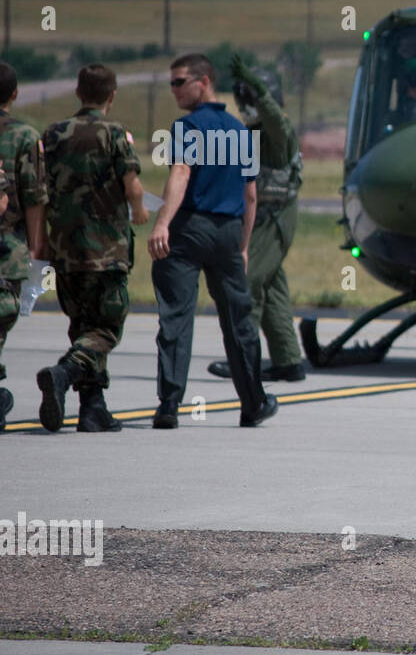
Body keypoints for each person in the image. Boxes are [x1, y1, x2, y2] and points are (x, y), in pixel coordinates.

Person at [147, 53, 277, 429]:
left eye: (179, 82)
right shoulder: (241, 132)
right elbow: (251, 197)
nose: (174, 90)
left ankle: (169, 406)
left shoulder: (187, 127)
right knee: (238, 322)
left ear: (202, 82)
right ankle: (253, 403)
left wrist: (162, 223)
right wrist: (243, 246)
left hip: (187, 230)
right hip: (227, 232)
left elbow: (181, 172)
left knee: (175, 317)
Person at [34, 64, 148, 433]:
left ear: (78, 93)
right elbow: (132, 186)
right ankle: (63, 372)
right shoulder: (115, 134)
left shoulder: (53, 134)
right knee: (105, 328)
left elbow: (40, 189)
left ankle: (92, 408)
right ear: (112, 96)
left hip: (65, 247)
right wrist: (141, 212)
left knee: (81, 325)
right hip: (105, 249)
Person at [207, 55, 305, 382]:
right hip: (263, 217)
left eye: (248, 99)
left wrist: (259, 90)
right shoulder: (253, 135)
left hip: (275, 218)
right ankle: (288, 360)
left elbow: (274, 118)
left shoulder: (279, 132)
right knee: (272, 286)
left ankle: (243, 362)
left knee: (246, 282)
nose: (244, 105)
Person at [0, 61, 49, 431]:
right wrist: (36, 249)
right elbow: (35, 198)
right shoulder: (25, 137)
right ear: (14, 94)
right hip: (8, 245)